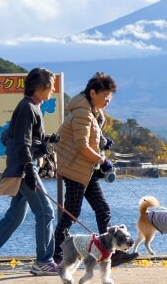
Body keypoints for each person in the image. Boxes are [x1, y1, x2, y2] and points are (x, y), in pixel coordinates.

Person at [0, 67, 59, 276]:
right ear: (40, 87)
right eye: (51, 87)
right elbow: (22, 142)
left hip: (24, 167)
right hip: (24, 170)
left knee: (14, 217)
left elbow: (9, 135)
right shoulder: (27, 107)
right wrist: (29, 167)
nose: (53, 90)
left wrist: (43, 144)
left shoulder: (31, 106)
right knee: (46, 212)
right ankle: (44, 261)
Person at [52, 72, 138, 266]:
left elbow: (89, 138)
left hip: (86, 169)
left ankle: (110, 253)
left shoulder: (92, 112)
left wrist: (103, 141)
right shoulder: (82, 112)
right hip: (75, 168)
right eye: (105, 97)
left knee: (102, 209)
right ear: (93, 93)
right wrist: (103, 161)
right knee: (72, 212)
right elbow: (81, 146)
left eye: (110, 98)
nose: (108, 101)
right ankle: (57, 254)